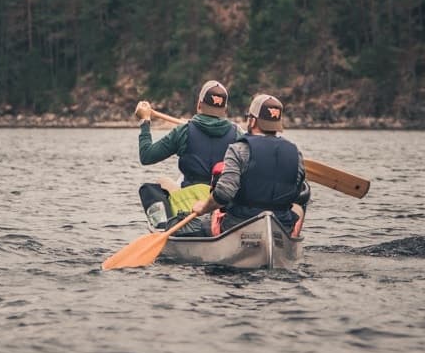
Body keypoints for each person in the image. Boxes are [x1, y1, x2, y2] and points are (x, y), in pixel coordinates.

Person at [182, 92, 310, 237]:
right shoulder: (296, 153)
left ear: (253, 121)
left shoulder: (238, 149)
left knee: (212, 212)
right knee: (302, 201)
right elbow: (297, 192)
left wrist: (203, 208)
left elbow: (223, 194)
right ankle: (291, 238)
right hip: (281, 226)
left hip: (239, 224)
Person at [133, 80, 238, 228]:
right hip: (222, 203)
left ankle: (165, 226)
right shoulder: (237, 134)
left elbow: (147, 156)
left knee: (162, 181)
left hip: (190, 204)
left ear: (199, 105)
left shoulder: (183, 132)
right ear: (225, 110)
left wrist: (145, 121)